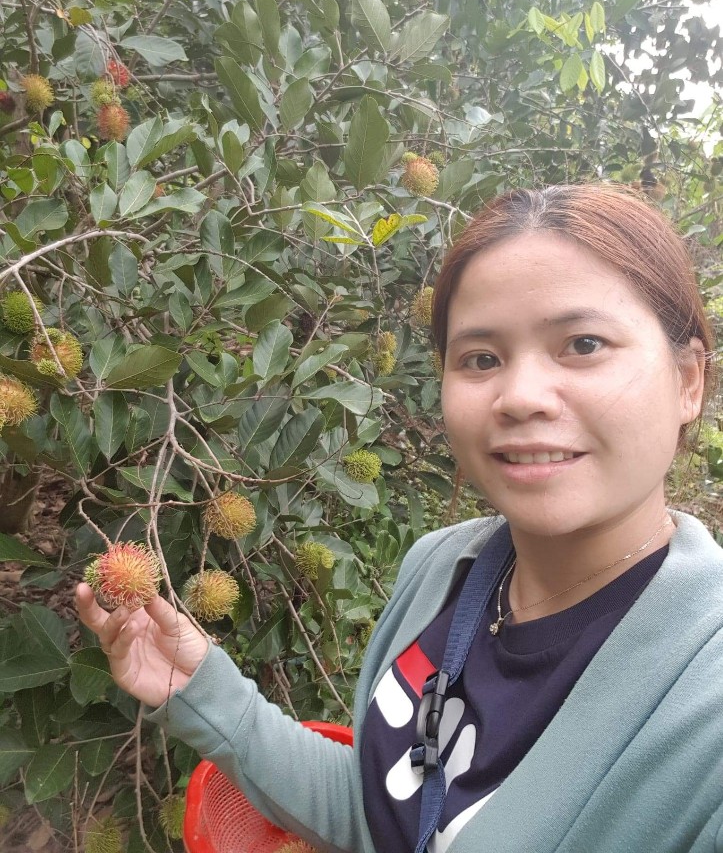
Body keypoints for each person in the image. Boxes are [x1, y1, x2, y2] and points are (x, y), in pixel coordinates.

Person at [76, 183, 722, 853]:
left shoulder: (704, 707)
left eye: (582, 343)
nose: (521, 396)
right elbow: (382, 811)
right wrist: (202, 689)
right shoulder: (442, 567)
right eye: (479, 358)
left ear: (687, 381)